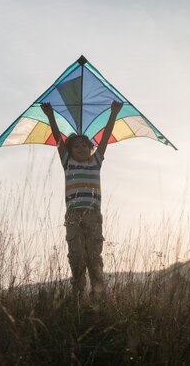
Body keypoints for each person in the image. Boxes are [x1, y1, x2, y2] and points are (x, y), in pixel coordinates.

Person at [41, 100, 122, 299]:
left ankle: (98, 298)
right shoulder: (67, 162)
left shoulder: (96, 161)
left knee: (94, 258)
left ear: (91, 149)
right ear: (70, 150)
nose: (81, 148)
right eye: (76, 146)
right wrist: (50, 115)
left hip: (93, 215)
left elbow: (105, 137)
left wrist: (113, 113)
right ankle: (78, 296)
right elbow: (58, 139)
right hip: (73, 216)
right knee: (76, 257)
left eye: (85, 145)